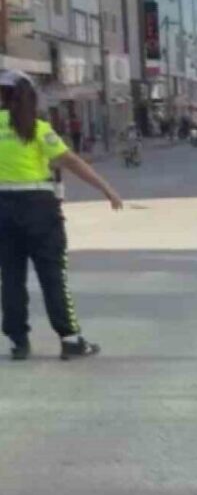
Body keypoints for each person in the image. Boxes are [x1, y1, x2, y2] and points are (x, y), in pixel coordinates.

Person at [0, 70, 122, 361]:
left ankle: (19, 342)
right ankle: (70, 340)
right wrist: (106, 189)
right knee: (53, 275)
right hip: (40, 209)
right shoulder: (38, 128)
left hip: (3, 208)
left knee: (11, 277)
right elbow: (71, 162)